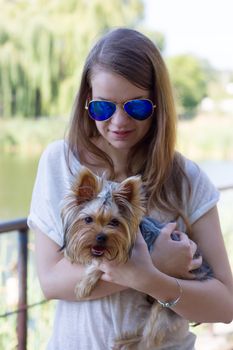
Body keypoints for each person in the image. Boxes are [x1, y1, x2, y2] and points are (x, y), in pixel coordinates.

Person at [28, 28, 233, 350]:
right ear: (86, 103)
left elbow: (224, 305)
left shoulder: (186, 178)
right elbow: (51, 282)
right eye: (103, 108)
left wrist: (151, 278)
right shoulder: (61, 162)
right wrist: (155, 262)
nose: (119, 122)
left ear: (157, 105)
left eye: (136, 107)